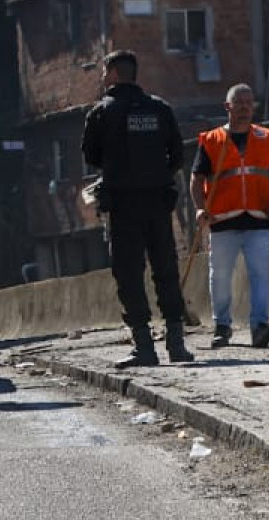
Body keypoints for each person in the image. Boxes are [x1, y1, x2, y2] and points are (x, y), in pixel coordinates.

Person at [81, 50, 192, 368]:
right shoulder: (160, 109)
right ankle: (177, 345)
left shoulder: (102, 112)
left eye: (104, 72)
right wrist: (155, 175)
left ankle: (144, 346)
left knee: (129, 274)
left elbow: (91, 155)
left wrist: (121, 169)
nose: (102, 78)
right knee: (166, 270)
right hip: (158, 202)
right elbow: (177, 155)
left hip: (123, 204)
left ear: (114, 74)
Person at [191, 83, 269, 349]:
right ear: (227, 107)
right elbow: (197, 179)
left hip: (258, 219)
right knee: (220, 275)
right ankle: (222, 326)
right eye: (238, 103)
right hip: (221, 221)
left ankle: (259, 327)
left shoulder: (266, 138)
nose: (243, 107)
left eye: (248, 103)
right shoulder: (212, 140)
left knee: (260, 274)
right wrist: (199, 207)